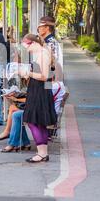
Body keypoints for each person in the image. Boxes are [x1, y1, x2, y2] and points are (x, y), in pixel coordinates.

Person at [18, 34, 57, 163]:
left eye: (27, 46)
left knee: (32, 121)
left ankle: (41, 153)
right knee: (40, 123)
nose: (27, 49)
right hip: (40, 89)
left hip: (39, 91)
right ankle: (43, 153)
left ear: (34, 43)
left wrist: (27, 73)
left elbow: (45, 76)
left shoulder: (42, 54)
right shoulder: (43, 53)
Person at [0, 80, 66, 153]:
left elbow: (37, 99)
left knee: (16, 115)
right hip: (47, 111)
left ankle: (13, 143)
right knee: (17, 113)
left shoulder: (52, 86)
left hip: (45, 114)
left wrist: (17, 98)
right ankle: (23, 142)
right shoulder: (57, 84)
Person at [37, 16, 63, 82]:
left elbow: (53, 65)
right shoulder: (48, 42)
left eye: (40, 26)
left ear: (47, 28)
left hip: (50, 82)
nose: (38, 28)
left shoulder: (51, 43)